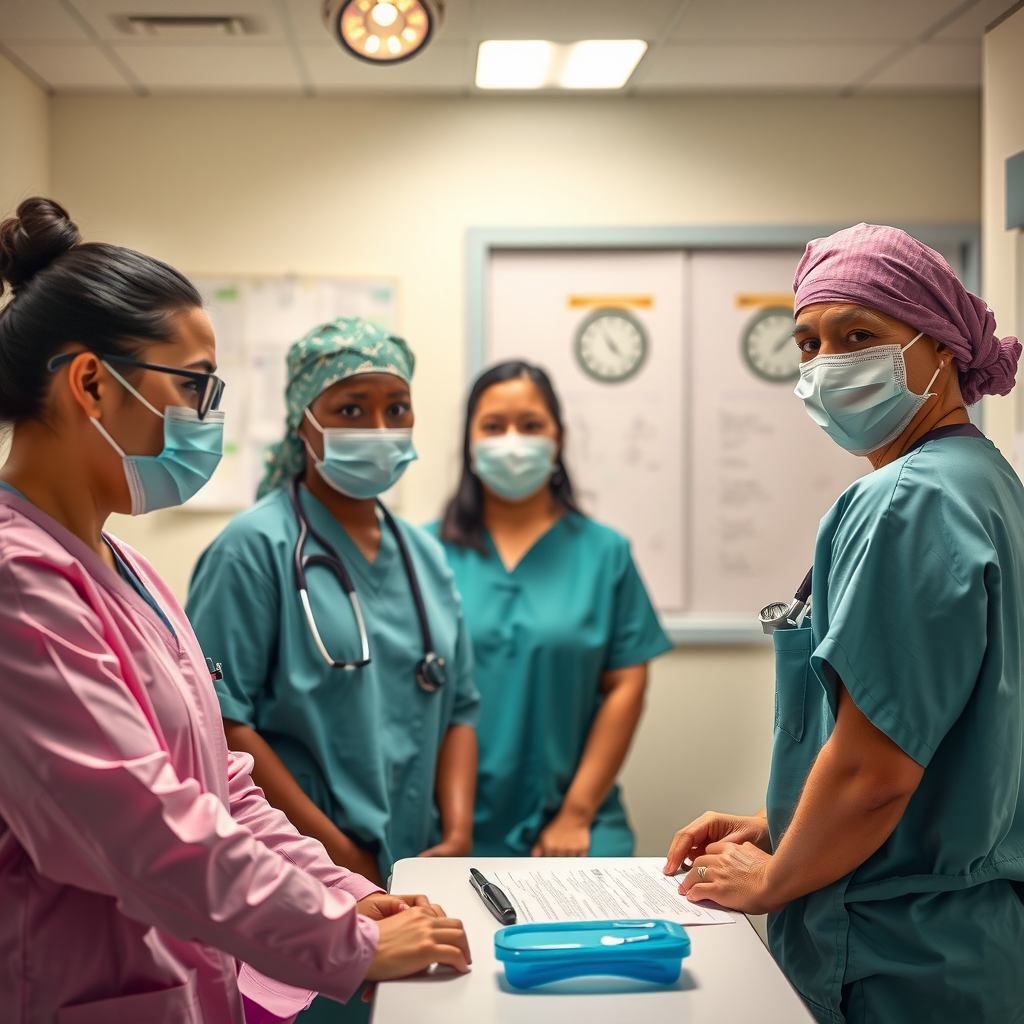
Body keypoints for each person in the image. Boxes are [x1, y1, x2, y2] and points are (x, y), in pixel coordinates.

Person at [0, 197, 471, 1024]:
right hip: (76, 987)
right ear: (90, 384)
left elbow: (220, 787)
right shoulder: (18, 581)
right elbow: (144, 829)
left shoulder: (126, 567)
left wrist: (343, 895)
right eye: (194, 385)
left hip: (183, 979)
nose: (207, 417)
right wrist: (344, 942)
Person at [663, 223, 1024, 1024]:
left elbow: (874, 772)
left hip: (894, 952)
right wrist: (779, 823)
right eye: (809, 343)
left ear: (940, 348)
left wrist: (776, 877)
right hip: (968, 945)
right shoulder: (987, 483)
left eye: (858, 336)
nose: (827, 364)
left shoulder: (906, 500)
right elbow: (950, 741)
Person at [186, 320, 478, 884]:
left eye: (397, 409)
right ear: (304, 421)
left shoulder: (426, 556)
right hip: (300, 866)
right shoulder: (252, 549)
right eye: (351, 409)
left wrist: (458, 837)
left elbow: (461, 707)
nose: (380, 429)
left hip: (420, 863)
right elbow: (222, 721)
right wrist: (338, 853)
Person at [430, 361, 671, 858]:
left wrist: (576, 814)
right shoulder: (421, 553)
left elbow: (626, 685)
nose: (512, 442)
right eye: (493, 426)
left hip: (574, 820)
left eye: (531, 425)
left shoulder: (604, 553)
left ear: (558, 438)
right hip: (443, 822)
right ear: (469, 442)